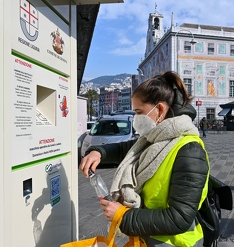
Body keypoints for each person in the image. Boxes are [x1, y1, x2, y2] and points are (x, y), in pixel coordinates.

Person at [79, 71, 209, 247]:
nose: (136, 119)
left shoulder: (189, 150)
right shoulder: (153, 138)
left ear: (160, 110)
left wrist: (123, 216)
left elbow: (179, 218)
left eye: (139, 112)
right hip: (147, 238)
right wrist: (98, 152)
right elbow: (124, 148)